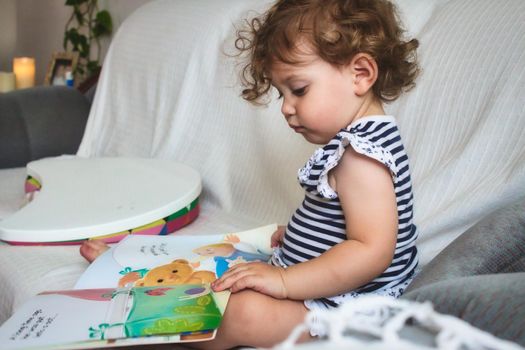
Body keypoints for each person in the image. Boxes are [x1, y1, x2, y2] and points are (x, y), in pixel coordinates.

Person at [80, 0, 420, 348]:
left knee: (240, 313)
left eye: (299, 89)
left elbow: (371, 251)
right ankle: (132, 271)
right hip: (322, 285)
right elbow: (348, 221)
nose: (287, 108)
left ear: (360, 74)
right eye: (281, 93)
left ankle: (148, 317)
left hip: (345, 305)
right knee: (220, 263)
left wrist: (285, 282)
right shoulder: (359, 141)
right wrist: (303, 234)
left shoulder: (362, 156)